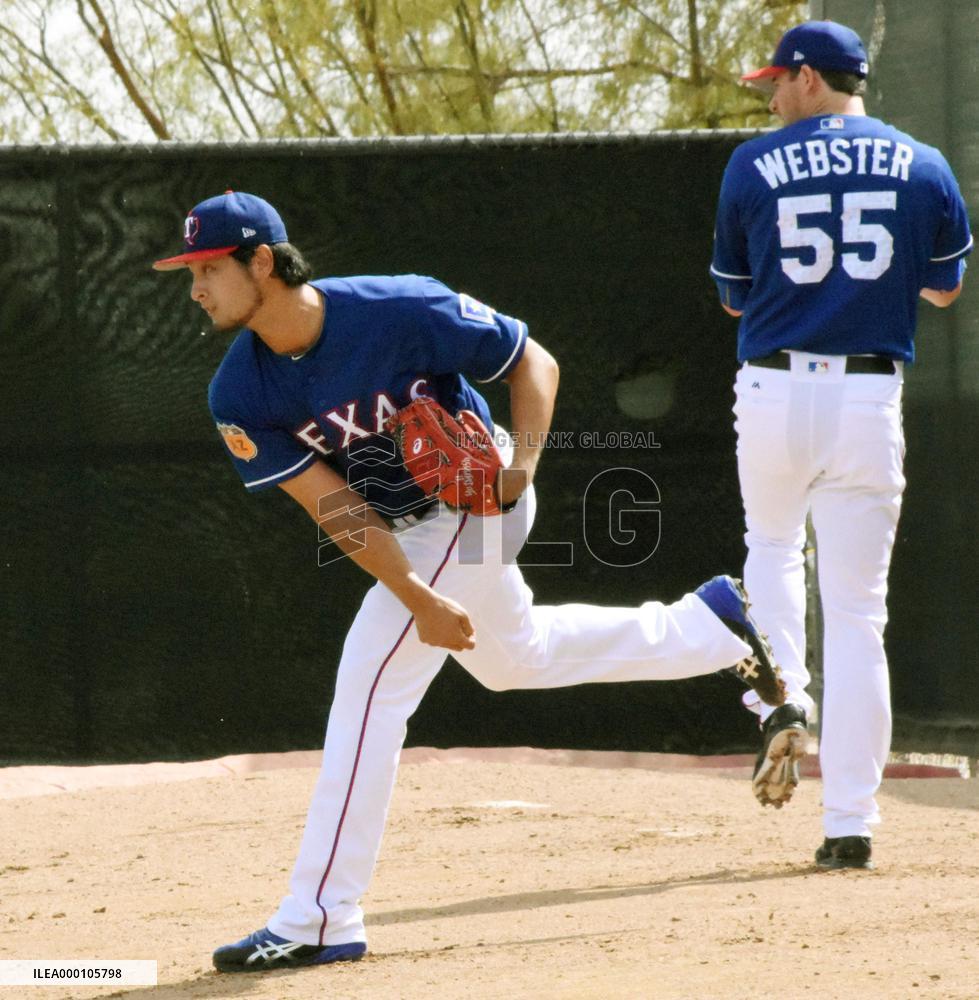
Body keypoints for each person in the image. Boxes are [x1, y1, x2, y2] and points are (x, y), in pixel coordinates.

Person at [154, 189, 784, 973]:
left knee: (369, 681)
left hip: (479, 499)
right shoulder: (239, 392)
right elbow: (339, 510)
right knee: (513, 659)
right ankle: (710, 625)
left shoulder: (399, 308)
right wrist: (418, 600)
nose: (194, 288)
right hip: (409, 529)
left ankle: (320, 916)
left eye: (207, 267)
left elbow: (532, 362)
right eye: (189, 272)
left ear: (260, 261)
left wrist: (520, 467)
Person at [710, 20, 972, 870]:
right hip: (866, 394)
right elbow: (943, 289)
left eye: (779, 82)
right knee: (859, 615)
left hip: (775, 390)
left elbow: (733, 300)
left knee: (772, 548)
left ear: (813, 79)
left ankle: (783, 701)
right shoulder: (922, 161)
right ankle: (850, 823)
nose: (773, 95)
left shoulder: (753, 163)